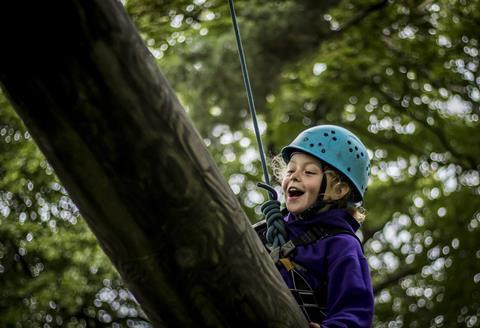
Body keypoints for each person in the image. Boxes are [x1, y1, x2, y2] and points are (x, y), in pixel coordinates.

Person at [257, 124, 374, 327]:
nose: (294, 176)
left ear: (339, 189)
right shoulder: (269, 230)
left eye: (309, 172)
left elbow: (355, 311)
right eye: (291, 169)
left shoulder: (342, 245)